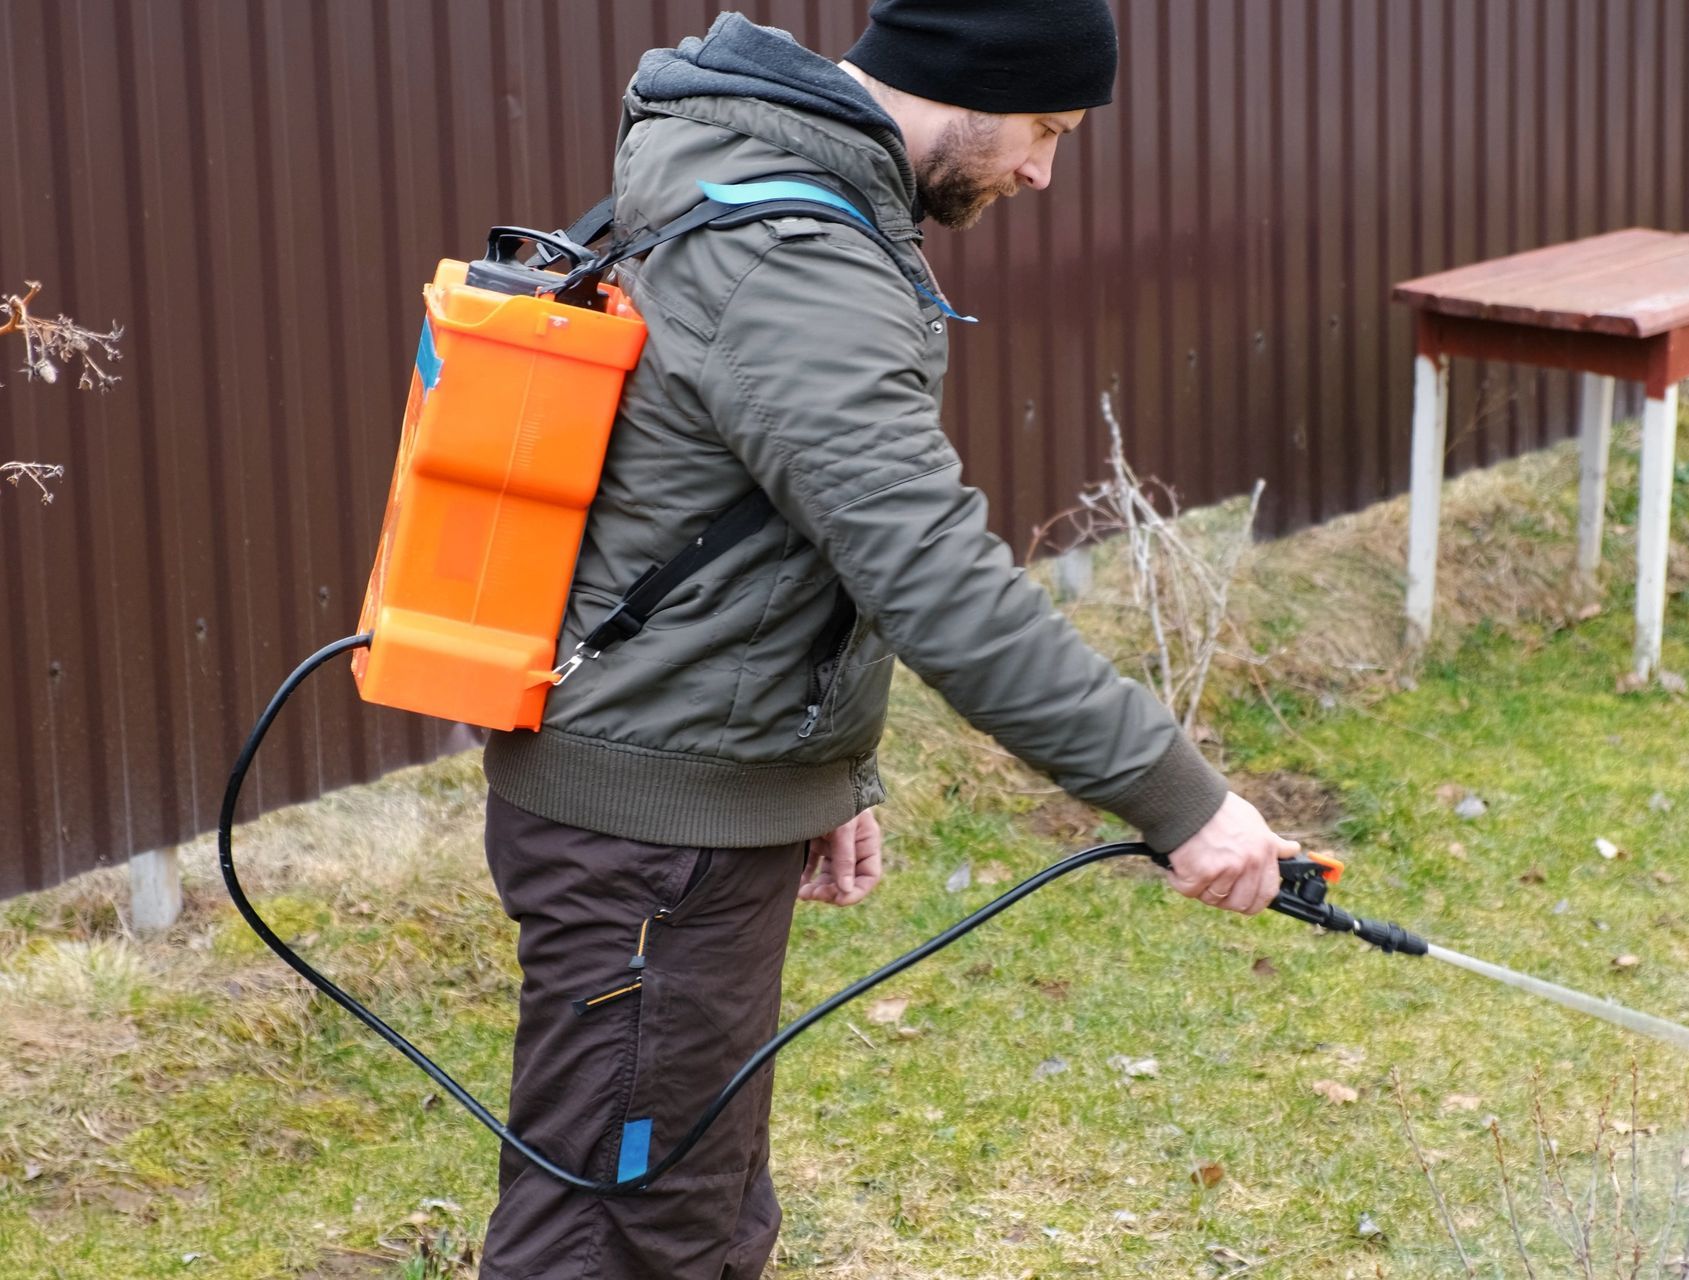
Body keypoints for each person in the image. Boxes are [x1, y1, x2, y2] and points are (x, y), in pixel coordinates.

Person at [478, 3, 1296, 1276]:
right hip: (651, 836)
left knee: (695, 1209)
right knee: (619, 1236)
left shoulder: (776, 191)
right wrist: (1180, 798)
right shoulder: (793, 251)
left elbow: (765, 531)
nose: (1041, 170)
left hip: (689, 804)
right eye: (1044, 129)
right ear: (964, 81)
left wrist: (818, 772)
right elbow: (935, 578)